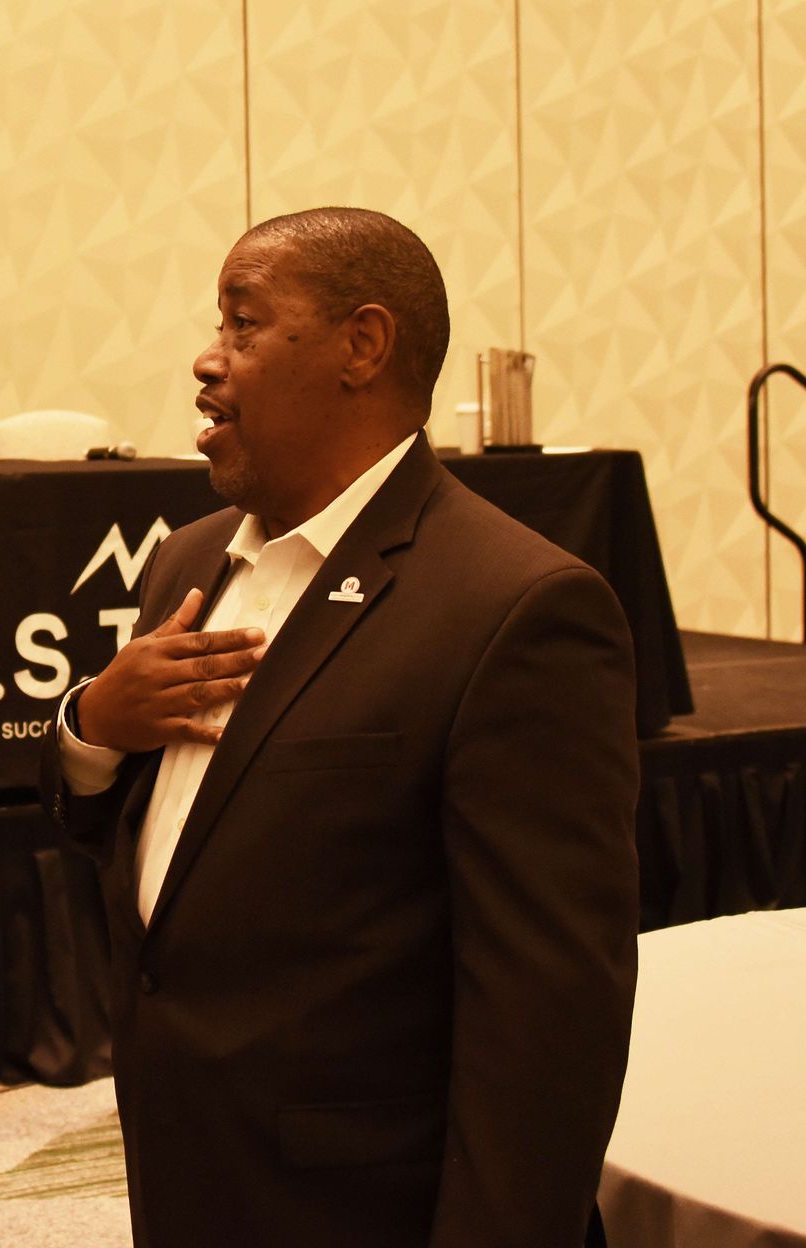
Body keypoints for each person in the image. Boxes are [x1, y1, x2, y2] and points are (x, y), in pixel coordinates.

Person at [41, 207, 638, 1247]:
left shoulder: (517, 607)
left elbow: (547, 1025)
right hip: (190, 1169)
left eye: (241, 325)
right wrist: (94, 728)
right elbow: (163, 856)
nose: (206, 359)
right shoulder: (185, 566)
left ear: (362, 345)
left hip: (361, 1206)